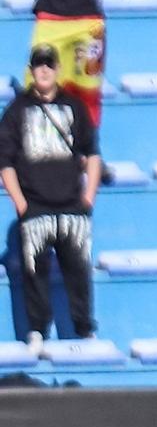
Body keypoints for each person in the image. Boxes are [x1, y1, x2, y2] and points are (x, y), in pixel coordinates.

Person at [0, 43, 100, 349]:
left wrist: (88, 197)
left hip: (72, 204)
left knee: (78, 272)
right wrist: (21, 203)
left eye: (49, 65)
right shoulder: (16, 111)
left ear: (57, 70)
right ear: (31, 71)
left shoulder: (74, 106)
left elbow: (92, 153)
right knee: (34, 273)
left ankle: (84, 329)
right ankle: (37, 331)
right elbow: (5, 161)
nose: (43, 70)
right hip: (36, 205)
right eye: (38, 65)